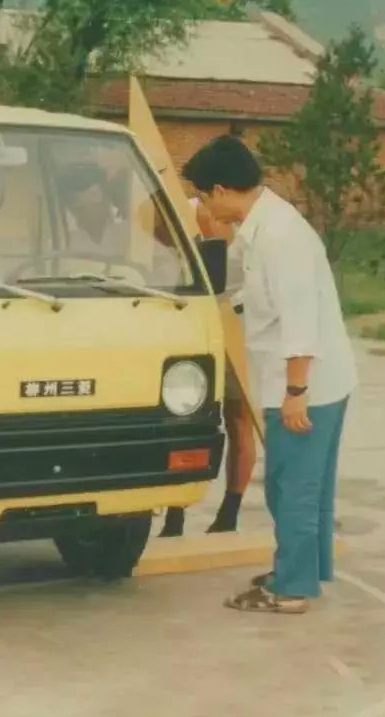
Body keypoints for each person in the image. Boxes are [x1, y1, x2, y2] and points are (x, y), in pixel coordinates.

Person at [182, 136, 357, 614]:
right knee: (307, 487)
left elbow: (300, 321)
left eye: (202, 196)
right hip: (312, 379)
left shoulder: (279, 237)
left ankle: (290, 589)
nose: (203, 206)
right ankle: (305, 570)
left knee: (291, 488)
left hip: (304, 384)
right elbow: (242, 288)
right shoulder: (262, 226)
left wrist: (296, 391)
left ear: (221, 190)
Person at [158, 197, 257, 536]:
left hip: (235, 324)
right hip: (193, 323)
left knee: (239, 420)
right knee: (185, 421)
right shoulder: (182, 208)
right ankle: (175, 515)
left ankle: (229, 514)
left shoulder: (253, 222)